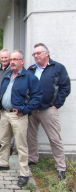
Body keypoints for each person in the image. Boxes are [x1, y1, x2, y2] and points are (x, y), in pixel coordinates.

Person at [0, 50, 43, 187]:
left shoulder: (29, 77)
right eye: (11, 60)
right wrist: (1, 104)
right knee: (4, 141)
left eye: (15, 59)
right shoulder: (8, 74)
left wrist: (25, 109)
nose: (12, 62)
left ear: (22, 61)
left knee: (21, 145)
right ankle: (3, 163)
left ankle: (24, 173)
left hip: (18, 116)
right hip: (5, 114)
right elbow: (3, 92)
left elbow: (37, 96)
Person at [27, 43, 71, 180]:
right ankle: (33, 158)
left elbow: (65, 87)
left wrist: (56, 104)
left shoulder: (58, 68)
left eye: (38, 53)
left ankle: (61, 167)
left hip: (48, 109)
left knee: (54, 138)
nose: (36, 56)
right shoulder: (31, 69)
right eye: (34, 54)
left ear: (47, 53)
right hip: (33, 109)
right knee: (31, 136)